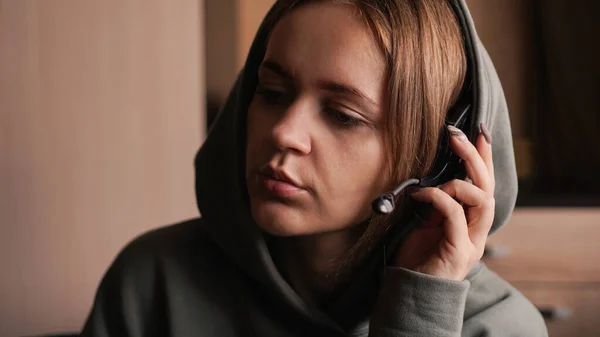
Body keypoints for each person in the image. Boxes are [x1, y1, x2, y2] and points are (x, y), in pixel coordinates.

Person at [80, 0, 548, 336]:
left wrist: (418, 314)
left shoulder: (501, 327)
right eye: (272, 93)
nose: (284, 132)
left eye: (343, 115)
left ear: (434, 157)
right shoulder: (150, 281)